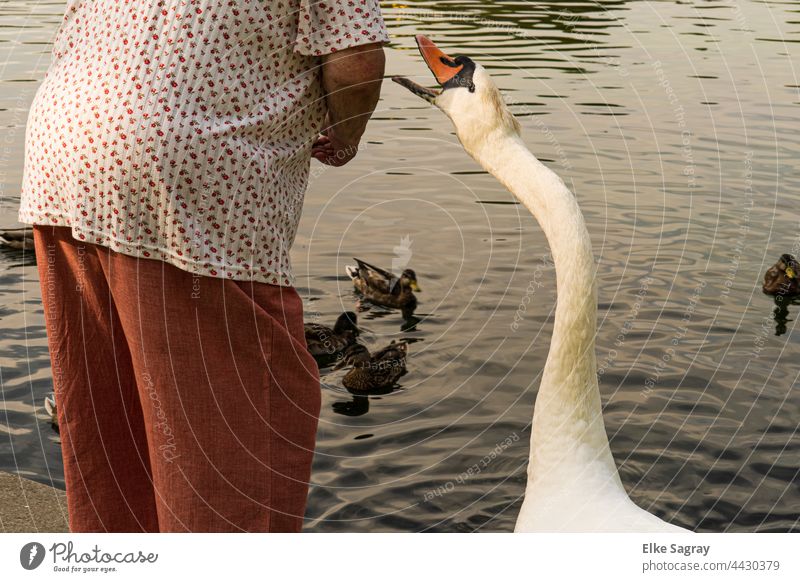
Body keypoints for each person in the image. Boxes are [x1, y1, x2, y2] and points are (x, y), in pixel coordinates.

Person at [20, 1, 387, 533]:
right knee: (234, 410)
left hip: (66, 148)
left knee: (108, 393)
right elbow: (355, 59)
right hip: (188, 171)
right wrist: (347, 138)